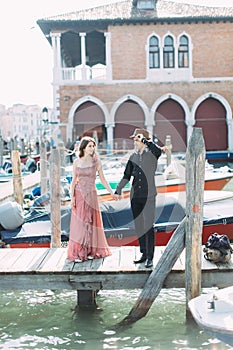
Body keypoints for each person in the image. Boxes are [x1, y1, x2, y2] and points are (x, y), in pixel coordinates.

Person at [115, 128, 167, 268]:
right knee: (139, 226)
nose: (134, 141)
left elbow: (159, 150)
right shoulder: (133, 157)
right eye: (134, 139)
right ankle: (143, 253)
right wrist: (118, 189)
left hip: (149, 196)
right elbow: (126, 175)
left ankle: (150, 257)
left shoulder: (152, 154)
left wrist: (145, 140)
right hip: (135, 196)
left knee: (149, 226)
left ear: (143, 140)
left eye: (136, 139)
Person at [67, 136, 116, 262]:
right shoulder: (76, 162)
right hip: (79, 194)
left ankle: (90, 251)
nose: (92, 148)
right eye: (89, 146)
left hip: (91, 194)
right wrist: (71, 197)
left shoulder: (96, 162)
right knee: (81, 223)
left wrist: (112, 192)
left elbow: (103, 180)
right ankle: (79, 252)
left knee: (92, 223)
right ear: (83, 147)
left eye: (93, 146)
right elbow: (73, 181)